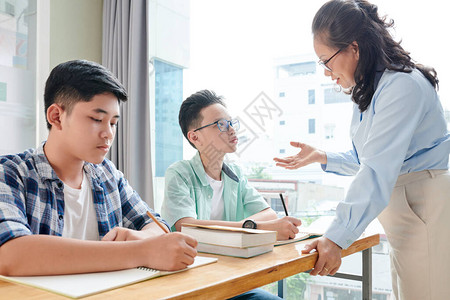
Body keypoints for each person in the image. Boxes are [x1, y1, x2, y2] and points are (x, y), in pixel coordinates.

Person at [274, 1, 450, 299]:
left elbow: (377, 170)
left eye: (326, 61)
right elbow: (367, 159)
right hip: (405, 215)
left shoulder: (401, 87)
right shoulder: (372, 91)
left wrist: (335, 238)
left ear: (353, 48)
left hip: (422, 209)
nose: (327, 72)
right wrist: (323, 156)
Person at [0, 60, 197, 276]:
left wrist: (142, 238)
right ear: (56, 116)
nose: (109, 134)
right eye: (97, 119)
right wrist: (141, 251)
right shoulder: (11, 173)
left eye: (113, 123)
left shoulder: (107, 174)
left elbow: (157, 225)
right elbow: (10, 254)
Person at [161, 90, 302, 300]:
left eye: (231, 123)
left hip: (228, 277)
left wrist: (253, 225)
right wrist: (252, 227)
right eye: (220, 124)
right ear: (195, 137)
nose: (231, 130)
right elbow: (188, 227)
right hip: (191, 283)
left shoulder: (234, 173)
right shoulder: (179, 173)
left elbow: (269, 214)